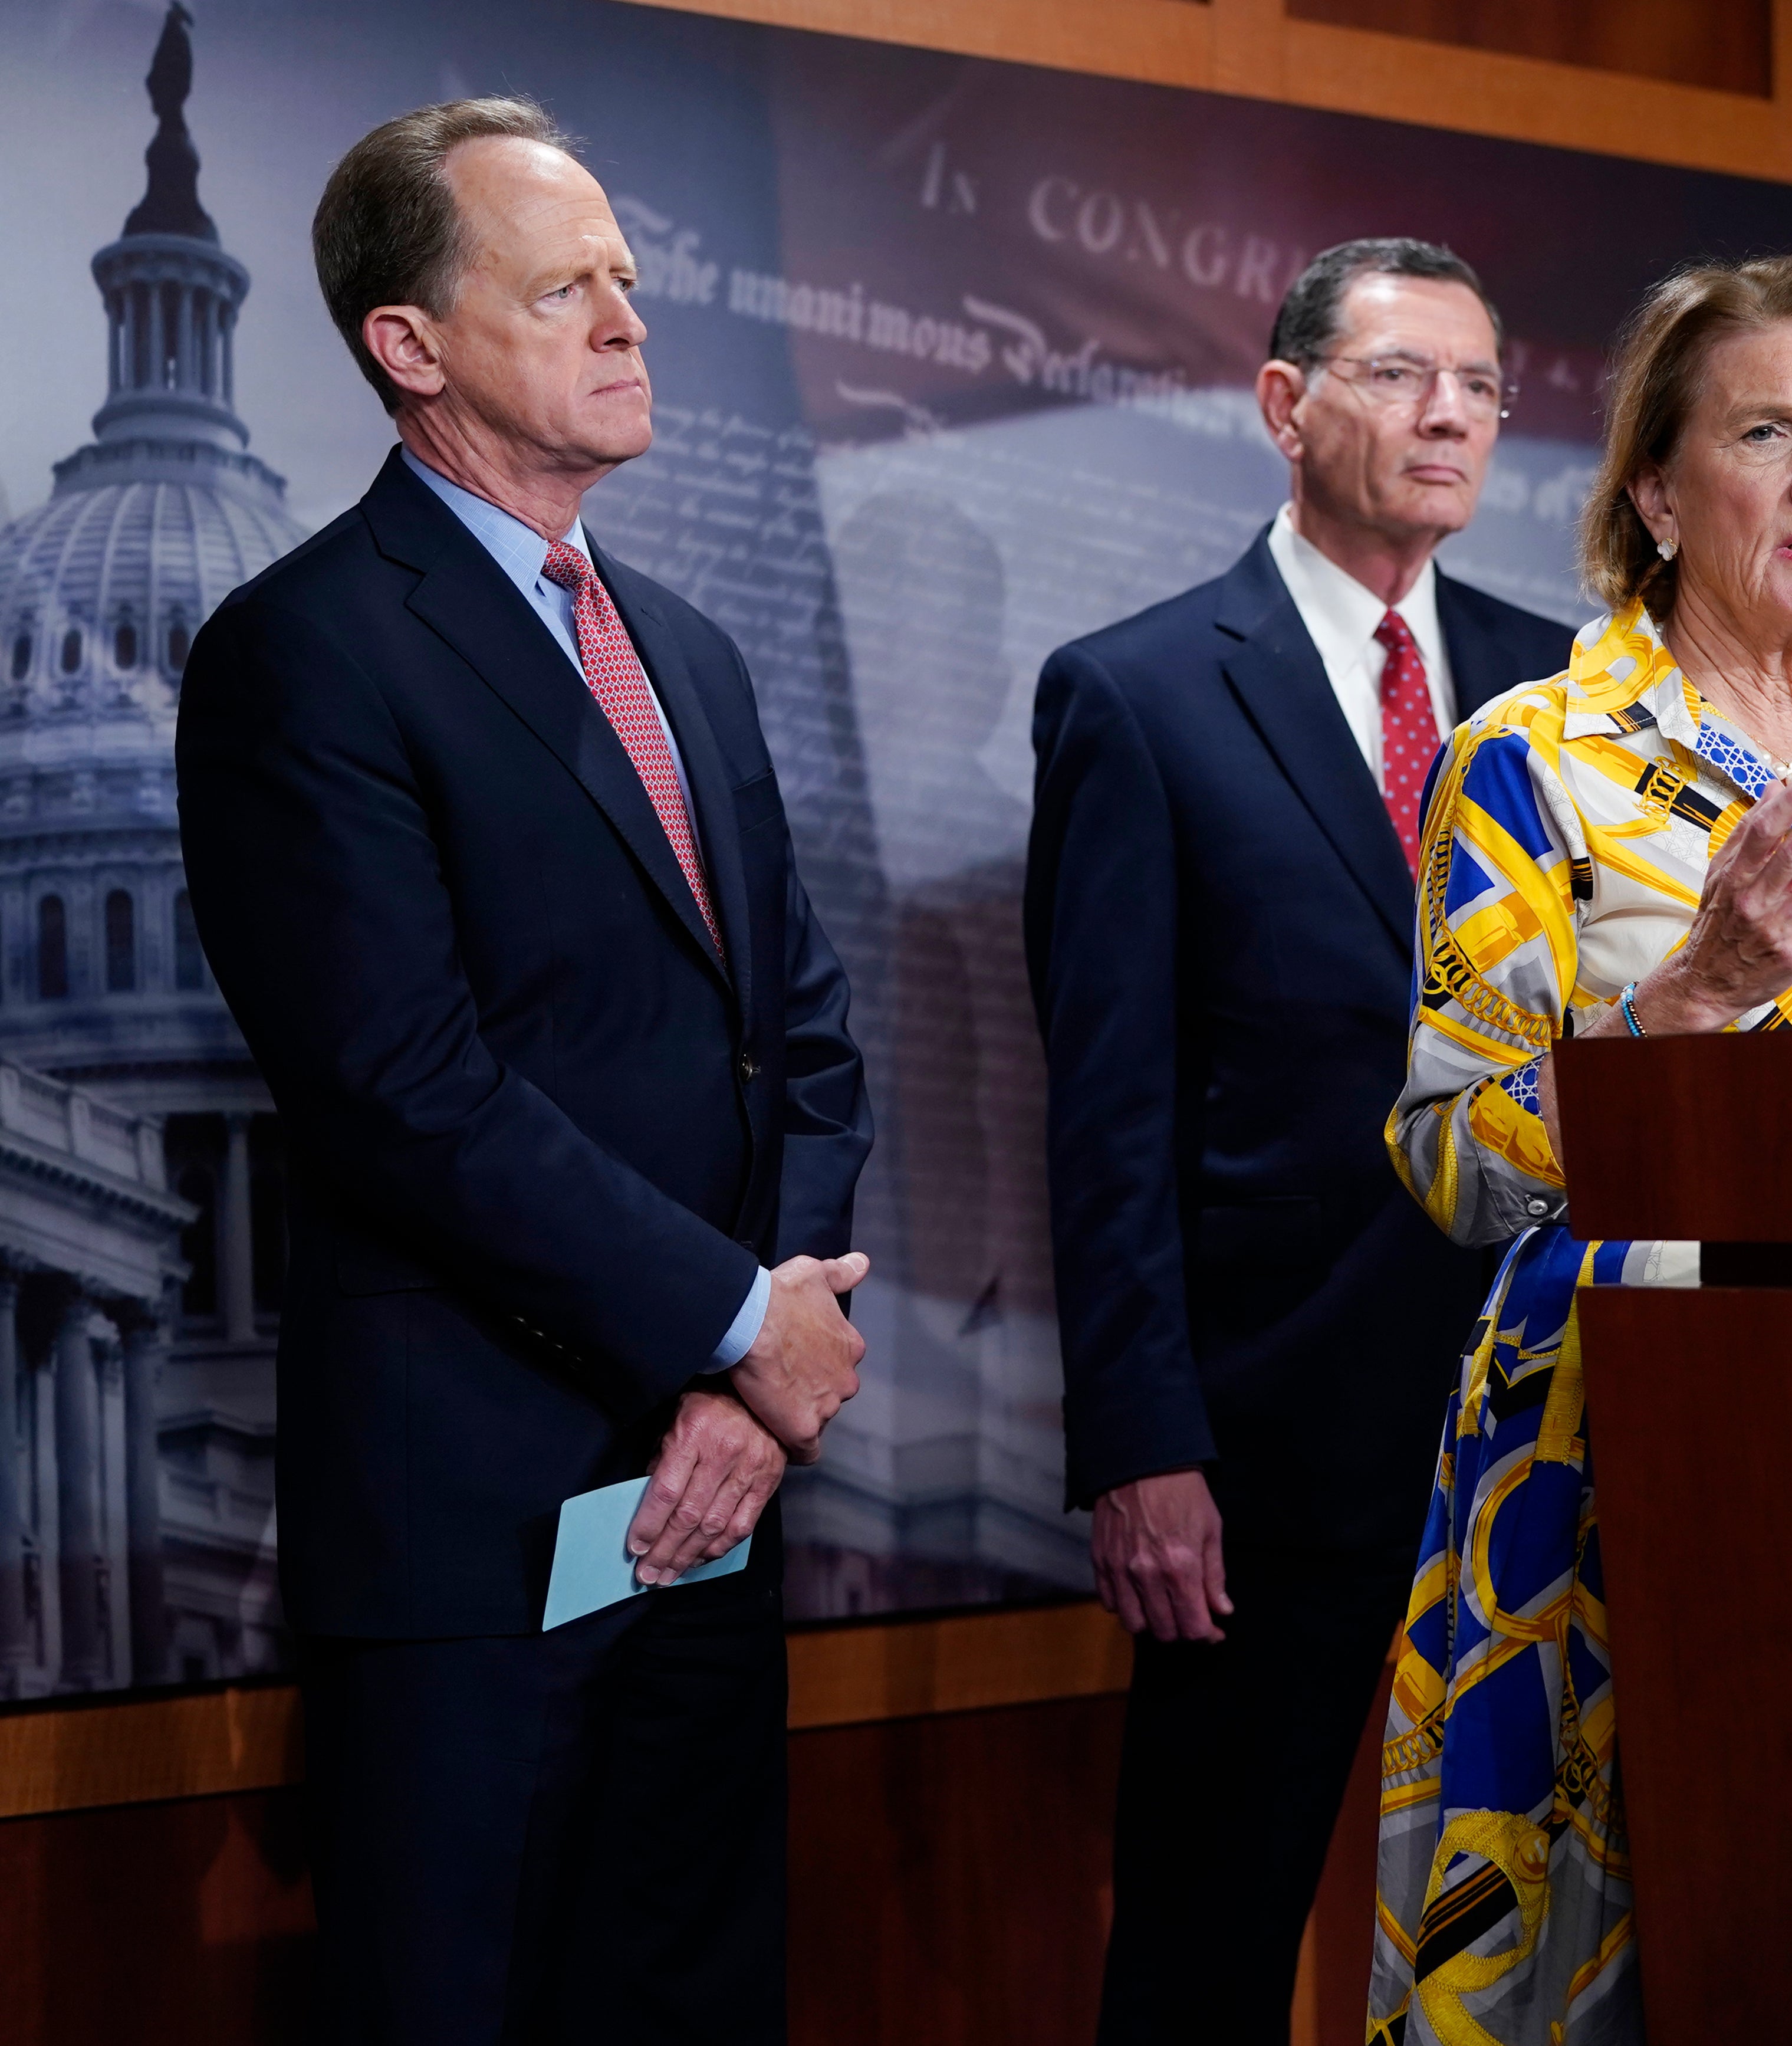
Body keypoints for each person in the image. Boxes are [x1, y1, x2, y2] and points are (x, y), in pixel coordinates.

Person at [175, 100, 870, 2042]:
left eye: (630, 284)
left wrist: (755, 1379)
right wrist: (736, 1313)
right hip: (477, 1528)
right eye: (566, 288)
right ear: (409, 341)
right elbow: (401, 1081)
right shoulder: (301, 650)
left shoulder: (694, 653)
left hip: (715, 1503)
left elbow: (801, 1036)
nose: (630, 322)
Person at [1370, 252, 1792, 2045]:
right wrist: (1695, 995)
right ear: (1655, 488)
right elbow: (1444, 1155)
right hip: (1610, 1466)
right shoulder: (1534, 759)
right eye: (1768, 431)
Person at [1023, 238, 1573, 2042]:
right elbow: (1106, 1117)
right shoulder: (1143, 693)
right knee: (1205, 1939)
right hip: (1270, 1449)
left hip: (1546, 1433)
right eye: (1407, 373)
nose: (1452, 417)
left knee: (1545, 1936)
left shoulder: (1562, 694)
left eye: (1481, 387)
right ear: (1285, 405)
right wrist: (1142, 1443)